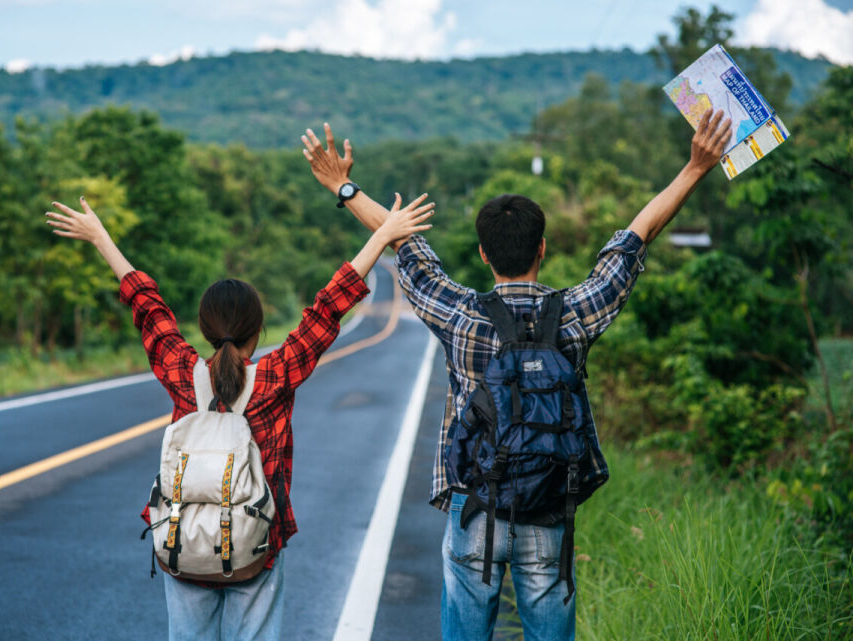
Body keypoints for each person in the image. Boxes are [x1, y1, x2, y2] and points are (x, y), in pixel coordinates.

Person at [302, 109, 732, 641]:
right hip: (549, 508)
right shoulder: (576, 312)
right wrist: (694, 168)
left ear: (484, 255)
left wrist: (343, 187)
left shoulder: (459, 315)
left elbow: (401, 244)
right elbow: (634, 240)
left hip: (474, 506)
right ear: (543, 249)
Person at [44, 191, 434, 641]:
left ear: (206, 330)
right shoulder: (274, 376)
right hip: (255, 547)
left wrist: (101, 238)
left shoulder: (184, 376)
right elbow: (327, 309)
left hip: (184, 542)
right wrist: (382, 234)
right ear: (258, 328)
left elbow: (149, 309)